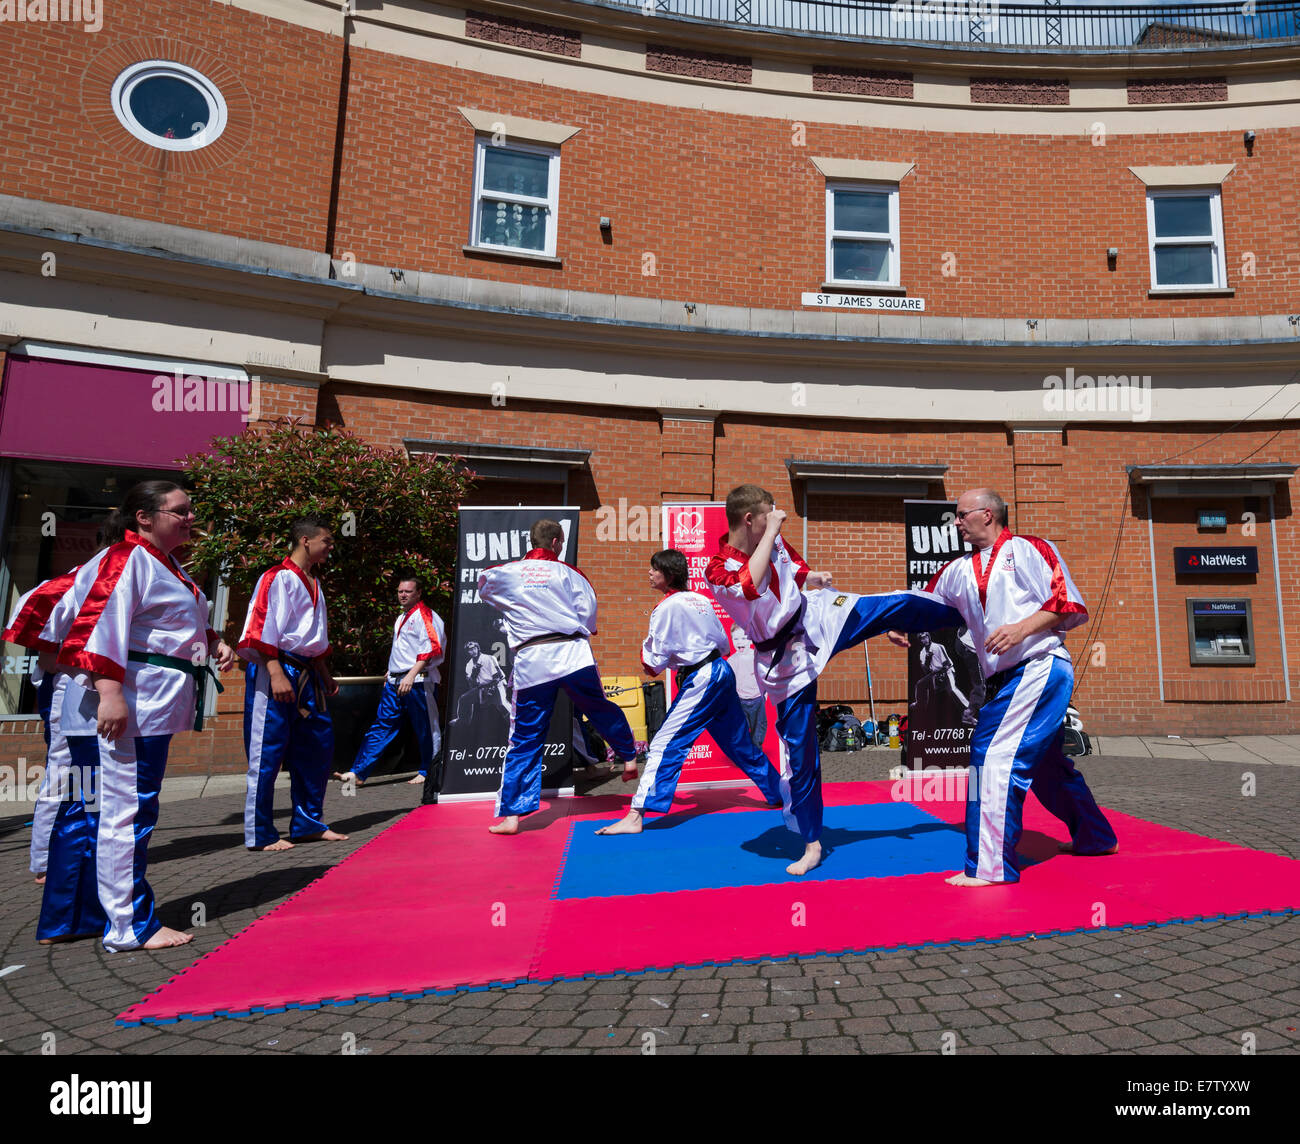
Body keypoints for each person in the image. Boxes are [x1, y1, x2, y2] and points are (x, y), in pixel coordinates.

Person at [705, 484, 963, 875]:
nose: (775, 524)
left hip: (817, 616)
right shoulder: (718, 569)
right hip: (783, 659)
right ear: (750, 520)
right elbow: (751, 585)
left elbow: (795, 568)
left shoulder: (770, 537)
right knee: (801, 754)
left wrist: (816, 577)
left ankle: (974, 613)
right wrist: (773, 530)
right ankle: (811, 842)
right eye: (768, 517)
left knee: (896, 602)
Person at [39, 482, 235, 950]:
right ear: (144, 517)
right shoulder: (127, 559)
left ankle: (69, 917)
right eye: (180, 511)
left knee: (88, 810)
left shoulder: (156, 563)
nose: (191, 518)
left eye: (191, 511)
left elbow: (163, 620)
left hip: (124, 708)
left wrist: (211, 639)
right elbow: (98, 621)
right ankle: (129, 926)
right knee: (126, 814)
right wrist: (109, 691)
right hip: (126, 708)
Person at [889, 488, 1117, 887]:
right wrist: (902, 624)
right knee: (1047, 769)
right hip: (1003, 680)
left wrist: (1020, 629)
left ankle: (991, 867)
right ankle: (1096, 838)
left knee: (992, 755)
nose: (955, 522)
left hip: (1039, 667)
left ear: (988, 515)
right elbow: (924, 603)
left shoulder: (1030, 549)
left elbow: (1069, 605)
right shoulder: (956, 570)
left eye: (961, 515)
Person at [596, 550, 782, 835]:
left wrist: (658, 658)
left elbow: (652, 664)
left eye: (654, 569)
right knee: (740, 744)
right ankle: (779, 793)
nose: (649, 574)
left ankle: (636, 815)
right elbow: (723, 644)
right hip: (720, 672)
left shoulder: (665, 608)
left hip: (703, 677)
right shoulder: (702, 600)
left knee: (663, 744)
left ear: (668, 575)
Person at [479, 518, 642, 834]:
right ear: (556, 542)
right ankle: (629, 756)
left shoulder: (508, 572)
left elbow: (485, 586)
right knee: (598, 707)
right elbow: (588, 612)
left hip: (534, 659)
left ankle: (512, 815)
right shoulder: (572, 573)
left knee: (525, 735)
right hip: (572, 654)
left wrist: (515, 606)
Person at [2, 521, 126, 885]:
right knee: (65, 774)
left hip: (95, 689)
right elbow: (45, 658)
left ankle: (82, 849)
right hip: (70, 689)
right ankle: (45, 859)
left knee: (90, 778)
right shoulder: (69, 586)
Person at [238, 516, 347, 852]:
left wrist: (324, 673)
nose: (330, 546)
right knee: (267, 750)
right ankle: (261, 832)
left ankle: (308, 823)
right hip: (277, 667)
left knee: (317, 747)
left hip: (308, 673)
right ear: (305, 541)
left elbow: (315, 636)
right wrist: (274, 671)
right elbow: (262, 627)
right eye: (326, 541)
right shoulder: (277, 577)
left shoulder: (314, 582)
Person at [334, 576, 445, 788]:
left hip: (418, 681)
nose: (403, 595)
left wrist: (410, 675)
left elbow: (431, 649)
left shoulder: (426, 616)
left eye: (408, 591)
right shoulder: (402, 617)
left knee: (426, 728)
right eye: (400, 591)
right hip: (396, 681)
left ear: (419, 593)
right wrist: (391, 671)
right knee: (382, 725)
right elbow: (403, 649)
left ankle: (430, 770)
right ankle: (358, 773)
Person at [447, 640, 509, 734]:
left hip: (497, 684)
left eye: (474, 648)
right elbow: (472, 685)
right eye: (470, 650)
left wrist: (492, 691)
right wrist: (473, 674)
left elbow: (497, 677)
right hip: (483, 687)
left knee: (501, 705)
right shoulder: (469, 665)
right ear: (467, 652)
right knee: (464, 699)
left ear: (478, 648)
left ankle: (514, 722)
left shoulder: (488, 658)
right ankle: (462, 721)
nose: (473, 651)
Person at [911, 631, 969, 722]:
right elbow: (926, 671)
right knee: (920, 684)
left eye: (925, 637)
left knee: (952, 690)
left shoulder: (937, 647)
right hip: (935, 674)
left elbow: (947, 663)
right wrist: (927, 659)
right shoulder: (922, 653)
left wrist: (942, 673)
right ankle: (920, 705)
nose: (924, 640)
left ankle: (968, 708)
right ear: (920, 641)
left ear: (929, 637)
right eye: (922, 638)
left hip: (947, 671)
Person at [727, 624, 766, 750]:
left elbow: (764, 675)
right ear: (731, 640)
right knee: (740, 727)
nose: (740, 642)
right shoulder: (732, 661)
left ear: (750, 639)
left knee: (759, 725)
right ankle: (743, 752)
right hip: (740, 700)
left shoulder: (757, 657)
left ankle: (757, 749)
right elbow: (729, 681)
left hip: (757, 698)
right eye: (736, 639)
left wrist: (765, 693)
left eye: (743, 638)